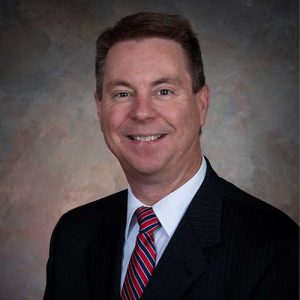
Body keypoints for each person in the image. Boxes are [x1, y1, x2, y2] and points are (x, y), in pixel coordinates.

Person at [43, 12, 299, 300]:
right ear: (100, 109)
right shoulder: (73, 235)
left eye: (164, 91)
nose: (142, 112)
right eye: (123, 93)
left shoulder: (274, 244)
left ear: (201, 104)